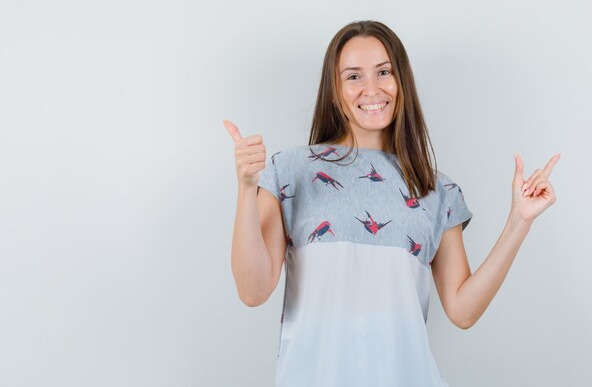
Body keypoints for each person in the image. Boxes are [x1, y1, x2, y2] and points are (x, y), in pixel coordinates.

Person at [224, 20, 560, 387]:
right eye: (353, 76)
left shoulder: (436, 189)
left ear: (401, 81)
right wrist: (246, 189)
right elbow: (253, 291)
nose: (371, 88)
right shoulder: (290, 171)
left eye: (384, 72)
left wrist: (519, 221)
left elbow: (463, 311)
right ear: (335, 90)